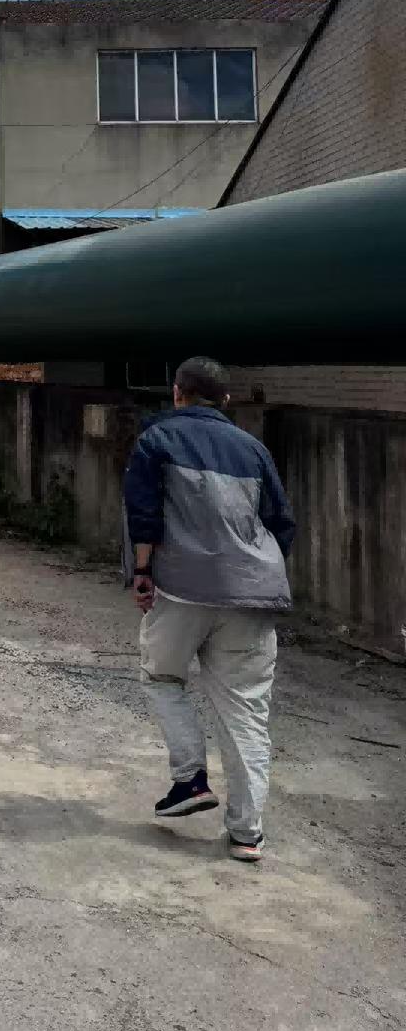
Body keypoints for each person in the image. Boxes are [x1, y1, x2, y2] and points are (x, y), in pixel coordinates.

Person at [124, 355, 296, 865]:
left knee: (162, 676)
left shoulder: (157, 438)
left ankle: (190, 779)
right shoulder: (253, 448)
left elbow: (143, 513)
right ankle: (247, 834)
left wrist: (141, 572)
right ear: (225, 399)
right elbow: (281, 522)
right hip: (252, 593)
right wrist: (255, 574)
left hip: (181, 588)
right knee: (245, 711)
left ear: (178, 392)